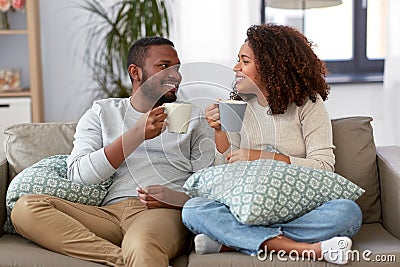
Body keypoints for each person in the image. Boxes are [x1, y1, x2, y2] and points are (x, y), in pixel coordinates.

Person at [11, 37, 215, 267]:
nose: (176, 75)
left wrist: (175, 200)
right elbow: (80, 176)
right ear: (136, 72)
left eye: (177, 68)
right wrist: (136, 134)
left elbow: (209, 189)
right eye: (164, 66)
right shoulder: (102, 112)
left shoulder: (194, 118)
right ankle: (123, 261)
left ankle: (133, 256)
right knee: (25, 209)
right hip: (108, 214)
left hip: (160, 213)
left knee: (142, 244)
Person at [182, 24, 362, 265]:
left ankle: (233, 241)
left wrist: (259, 156)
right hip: (246, 207)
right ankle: (303, 249)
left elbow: (324, 167)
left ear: (270, 66)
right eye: (238, 60)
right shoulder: (236, 107)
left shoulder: (308, 104)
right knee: (194, 208)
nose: (236, 68)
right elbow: (224, 170)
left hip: (299, 207)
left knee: (347, 213)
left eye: (244, 61)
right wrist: (218, 131)